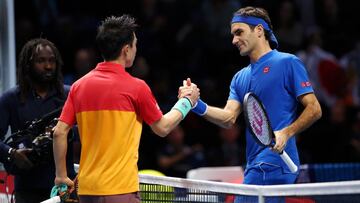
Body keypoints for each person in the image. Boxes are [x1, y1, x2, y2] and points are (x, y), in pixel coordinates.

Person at [52, 15, 199, 203]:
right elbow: (162, 128)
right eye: (135, 45)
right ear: (126, 49)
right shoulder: (136, 87)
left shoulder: (79, 86)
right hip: (121, 190)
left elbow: (59, 133)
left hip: (87, 191)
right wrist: (186, 102)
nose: (136, 50)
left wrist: (61, 176)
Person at [180, 6, 322, 192]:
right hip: (254, 165)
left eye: (239, 32)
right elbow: (228, 118)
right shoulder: (239, 78)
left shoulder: (288, 62)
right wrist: (196, 104)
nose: (234, 40)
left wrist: (286, 132)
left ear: (259, 30)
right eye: (232, 34)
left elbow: (314, 109)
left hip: (276, 163)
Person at [0, 38, 76, 203]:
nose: (48, 66)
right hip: (28, 190)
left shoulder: (70, 95)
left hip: (66, 188)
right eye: (41, 61)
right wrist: (12, 153)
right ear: (28, 65)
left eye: (51, 61)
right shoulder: (10, 99)